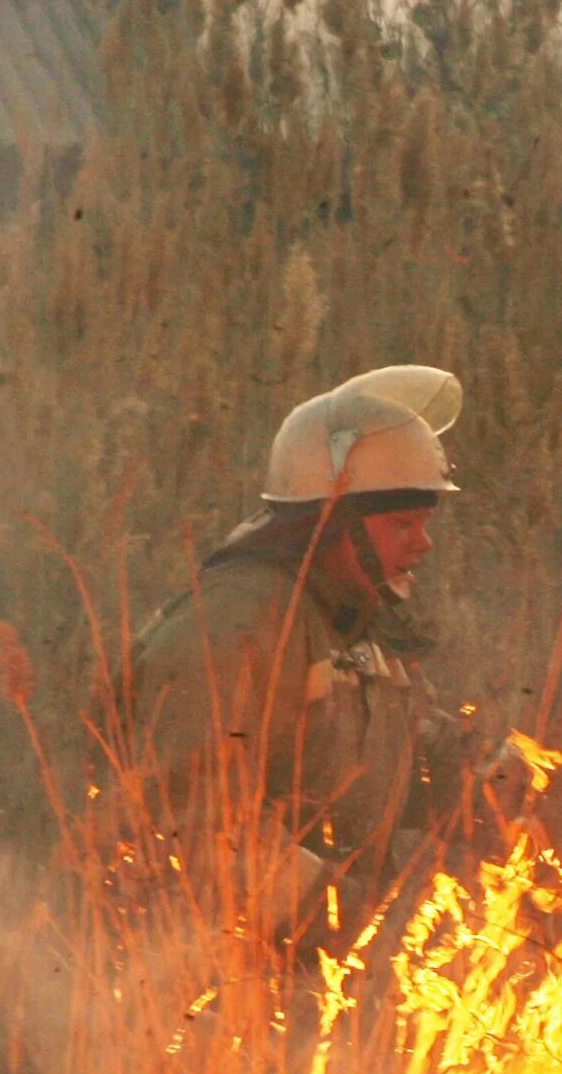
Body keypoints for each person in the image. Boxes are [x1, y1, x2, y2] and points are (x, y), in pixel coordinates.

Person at [123, 364, 478, 943]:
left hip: (312, 969)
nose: (424, 542)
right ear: (331, 524)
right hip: (209, 982)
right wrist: (349, 922)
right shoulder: (236, 627)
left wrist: (501, 784)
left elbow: (396, 756)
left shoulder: (349, 625)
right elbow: (198, 823)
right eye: (402, 523)